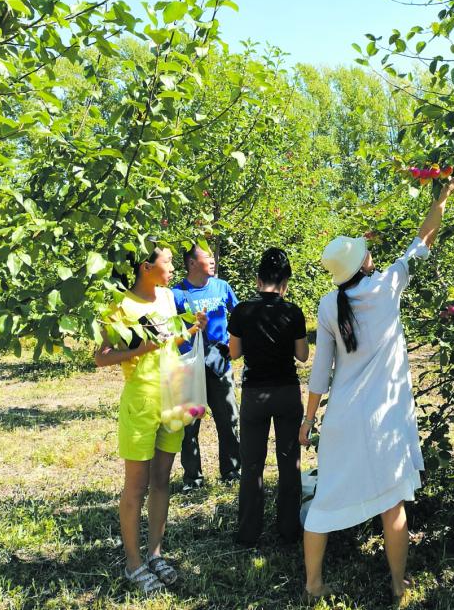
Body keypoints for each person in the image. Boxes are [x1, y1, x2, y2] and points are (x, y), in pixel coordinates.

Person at [300, 180, 454, 602]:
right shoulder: (390, 284)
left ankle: (313, 586)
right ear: (364, 263)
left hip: (342, 422)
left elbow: (319, 372)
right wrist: (439, 200)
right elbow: (423, 239)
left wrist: (308, 419)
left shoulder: (328, 304)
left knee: (324, 505)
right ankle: (397, 582)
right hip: (384, 419)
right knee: (393, 506)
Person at [94, 245, 206, 595]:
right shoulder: (119, 305)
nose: (173, 267)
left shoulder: (170, 298)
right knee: (136, 485)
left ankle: (155, 553)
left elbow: (168, 343)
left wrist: (191, 331)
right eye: (168, 261)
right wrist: (139, 350)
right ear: (146, 266)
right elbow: (101, 357)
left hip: (172, 395)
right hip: (141, 400)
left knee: (161, 480)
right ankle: (133, 563)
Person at [228, 248, 309, 546]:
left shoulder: (242, 311)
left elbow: (234, 353)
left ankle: (249, 532)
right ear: (285, 280)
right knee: (290, 463)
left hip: (254, 394)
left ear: (258, 279)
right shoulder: (293, 311)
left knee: (251, 464)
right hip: (287, 391)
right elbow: (302, 356)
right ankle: (289, 530)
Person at [173, 244, 241, 490]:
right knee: (189, 426)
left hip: (219, 363)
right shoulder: (176, 294)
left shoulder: (222, 287)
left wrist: (231, 346)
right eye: (207, 257)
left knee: (228, 418)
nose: (213, 261)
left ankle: (232, 472)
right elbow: (170, 332)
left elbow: (239, 316)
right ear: (192, 263)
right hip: (189, 366)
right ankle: (193, 478)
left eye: (213, 256)